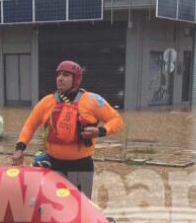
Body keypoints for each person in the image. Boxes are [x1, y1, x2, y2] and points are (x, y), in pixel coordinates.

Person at [11, 60, 123, 198]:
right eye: (58, 75)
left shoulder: (92, 100)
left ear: (76, 80)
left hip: (82, 166)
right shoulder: (47, 102)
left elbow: (116, 120)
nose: (60, 78)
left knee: (81, 209)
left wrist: (100, 131)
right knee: (53, 208)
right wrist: (19, 149)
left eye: (66, 75)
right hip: (54, 165)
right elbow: (29, 126)